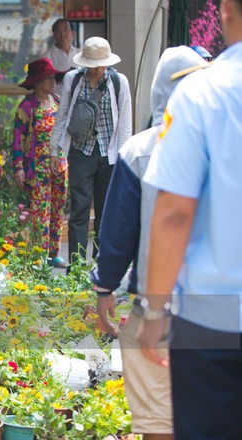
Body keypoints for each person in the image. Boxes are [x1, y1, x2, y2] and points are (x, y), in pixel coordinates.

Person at [90, 46, 208, 440]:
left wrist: (104, 287)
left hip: (158, 313)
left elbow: (118, 234)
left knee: (159, 421)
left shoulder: (140, 151)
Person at [139, 1, 242, 438]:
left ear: (227, 11)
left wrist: (155, 309)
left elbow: (175, 212)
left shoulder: (203, 92)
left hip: (213, 321)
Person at [50, 36, 132, 265]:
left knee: (106, 212)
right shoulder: (72, 80)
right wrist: (54, 152)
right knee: (79, 212)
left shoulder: (119, 82)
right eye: (92, 65)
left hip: (109, 153)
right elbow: (62, 115)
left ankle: (102, 265)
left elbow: (125, 122)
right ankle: (75, 267)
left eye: (100, 64)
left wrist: (125, 159)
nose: (96, 69)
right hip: (80, 152)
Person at [13, 58, 68, 268]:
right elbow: (18, 138)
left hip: (59, 166)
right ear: (37, 82)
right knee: (39, 213)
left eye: (54, 77)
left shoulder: (58, 102)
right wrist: (18, 167)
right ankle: (40, 254)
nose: (53, 82)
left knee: (57, 210)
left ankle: (54, 253)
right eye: (48, 78)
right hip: (37, 169)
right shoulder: (26, 107)